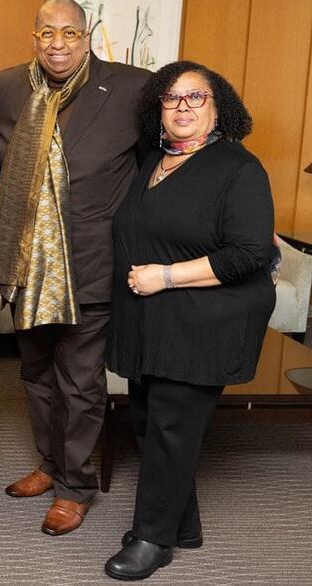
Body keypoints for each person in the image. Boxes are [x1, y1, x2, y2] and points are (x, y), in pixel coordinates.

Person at [0, 0, 150, 534]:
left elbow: (157, 166)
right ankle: (49, 464)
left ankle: (75, 487)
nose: (57, 44)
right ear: (34, 36)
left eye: (69, 33)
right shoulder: (10, 85)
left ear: (86, 36)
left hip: (90, 262)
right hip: (24, 261)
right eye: (47, 32)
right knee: (34, 373)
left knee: (78, 382)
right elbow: (2, 167)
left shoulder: (131, 87)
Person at [103, 62, 273, 580]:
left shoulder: (238, 169)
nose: (182, 106)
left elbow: (248, 253)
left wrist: (166, 277)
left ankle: (153, 539)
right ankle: (183, 525)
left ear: (219, 107)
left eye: (196, 97)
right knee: (148, 422)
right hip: (151, 323)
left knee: (171, 428)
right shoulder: (157, 159)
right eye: (171, 97)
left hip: (203, 322)